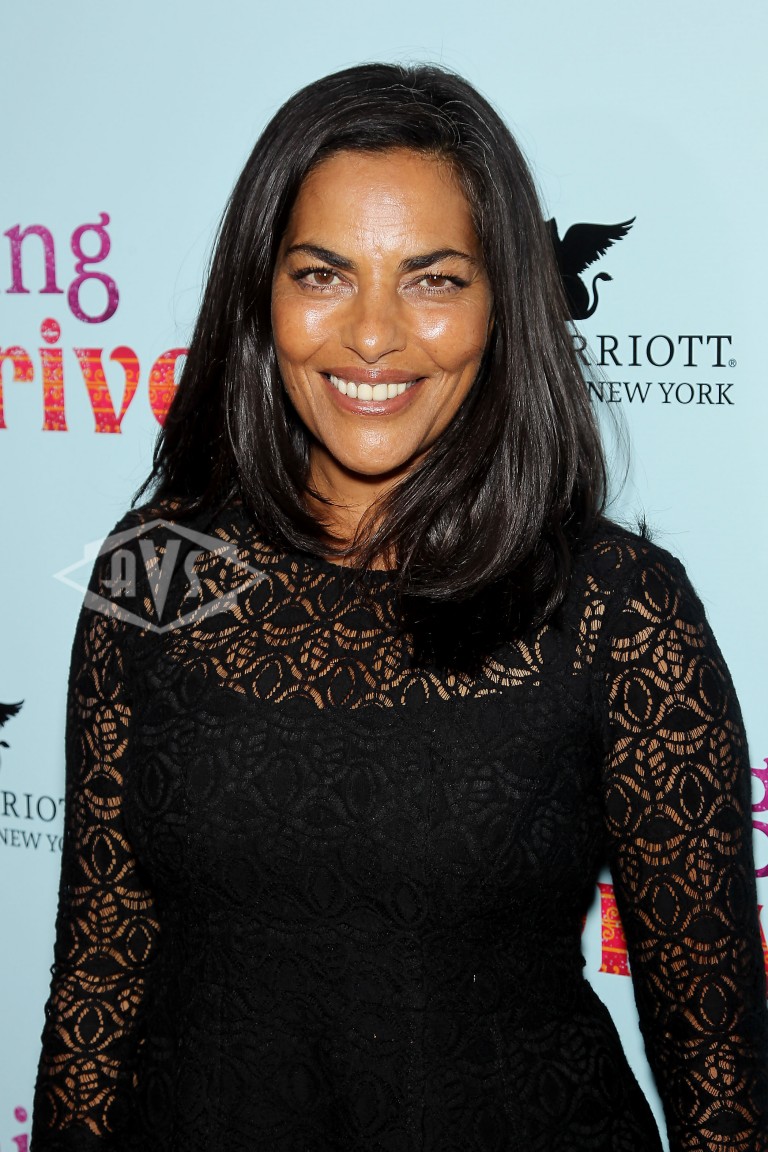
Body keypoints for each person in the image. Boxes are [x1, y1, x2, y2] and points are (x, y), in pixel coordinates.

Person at [31, 62, 768, 1152]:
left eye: (433, 280)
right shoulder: (158, 568)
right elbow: (98, 972)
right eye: (322, 275)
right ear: (261, 294)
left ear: (502, 304)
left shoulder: (619, 610)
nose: (372, 336)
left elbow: (719, 1082)